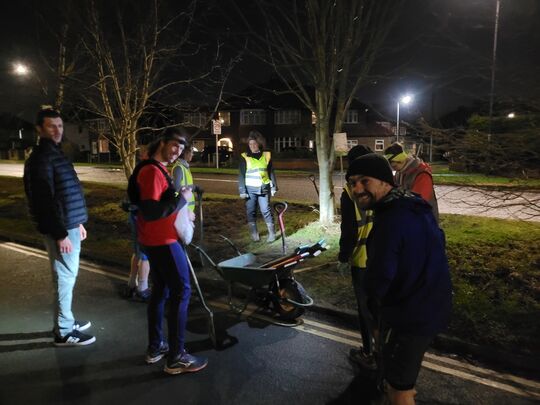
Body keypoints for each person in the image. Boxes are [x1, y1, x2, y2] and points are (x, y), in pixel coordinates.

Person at [346, 153, 452, 405]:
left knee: (399, 390)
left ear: (384, 181)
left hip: (411, 317)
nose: (357, 188)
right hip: (433, 304)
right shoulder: (411, 204)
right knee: (401, 376)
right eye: (352, 182)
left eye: (364, 181)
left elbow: (380, 276)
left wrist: (373, 309)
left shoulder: (391, 220)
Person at [131, 127, 207, 375]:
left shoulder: (156, 168)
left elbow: (161, 206)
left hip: (155, 240)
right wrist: (182, 200)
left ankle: (156, 348)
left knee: (161, 291)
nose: (178, 151)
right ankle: (176, 357)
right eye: (175, 145)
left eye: (182, 147)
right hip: (162, 241)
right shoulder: (152, 171)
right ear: (162, 142)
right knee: (182, 291)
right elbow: (152, 212)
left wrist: (180, 208)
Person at [23, 108, 95, 346]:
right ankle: (63, 331)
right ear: (39, 129)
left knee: (67, 276)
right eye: (51, 126)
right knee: (64, 277)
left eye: (60, 126)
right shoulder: (42, 158)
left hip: (69, 225)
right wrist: (61, 233)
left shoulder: (55, 154)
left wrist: (77, 223)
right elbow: (43, 200)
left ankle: (66, 321)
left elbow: (66, 193)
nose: (57, 130)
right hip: (61, 229)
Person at [337, 144, 375, 369]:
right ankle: (384, 354)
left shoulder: (350, 192)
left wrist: (343, 256)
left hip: (362, 260)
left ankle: (369, 353)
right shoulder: (383, 184)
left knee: (365, 310)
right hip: (384, 257)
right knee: (381, 308)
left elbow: (349, 230)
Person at [238, 131, 278, 242]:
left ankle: (272, 234)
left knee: (266, 210)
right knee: (251, 211)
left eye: (254, 144)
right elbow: (241, 174)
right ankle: (254, 234)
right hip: (250, 190)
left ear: (259, 144)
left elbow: (271, 172)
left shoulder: (266, 155)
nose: (252, 146)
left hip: (263, 188)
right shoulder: (244, 156)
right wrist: (242, 190)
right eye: (250, 144)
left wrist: (274, 187)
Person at [123, 144, 151, 302]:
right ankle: (143, 288)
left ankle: (131, 283)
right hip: (142, 216)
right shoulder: (147, 170)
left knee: (137, 252)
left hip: (135, 214)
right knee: (145, 255)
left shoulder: (138, 170)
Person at [384, 142, 439, 221]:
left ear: (401, 160)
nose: (394, 169)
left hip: (425, 222)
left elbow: (419, 204)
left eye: (394, 166)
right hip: (410, 220)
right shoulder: (399, 173)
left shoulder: (422, 175)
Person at [172, 142, 202, 212]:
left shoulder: (185, 167)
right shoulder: (179, 168)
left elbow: (185, 185)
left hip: (187, 209)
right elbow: (176, 189)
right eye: (191, 152)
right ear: (185, 153)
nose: (192, 154)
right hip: (183, 209)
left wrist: (195, 187)